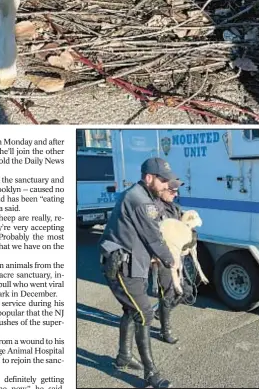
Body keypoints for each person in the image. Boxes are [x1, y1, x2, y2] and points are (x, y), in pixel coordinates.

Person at [99, 157, 182, 389]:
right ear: (149, 178)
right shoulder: (139, 200)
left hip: (134, 264)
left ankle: (124, 356)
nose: (168, 185)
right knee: (144, 313)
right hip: (122, 267)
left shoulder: (147, 196)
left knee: (131, 309)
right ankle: (151, 374)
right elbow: (154, 236)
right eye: (163, 180)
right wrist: (170, 260)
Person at [152, 178, 184, 344]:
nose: (175, 194)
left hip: (177, 258)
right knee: (167, 293)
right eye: (172, 191)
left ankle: (160, 312)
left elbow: (184, 230)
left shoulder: (175, 208)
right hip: (163, 258)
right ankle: (165, 330)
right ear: (162, 189)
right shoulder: (154, 208)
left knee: (185, 291)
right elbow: (152, 235)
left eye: (177, 191)